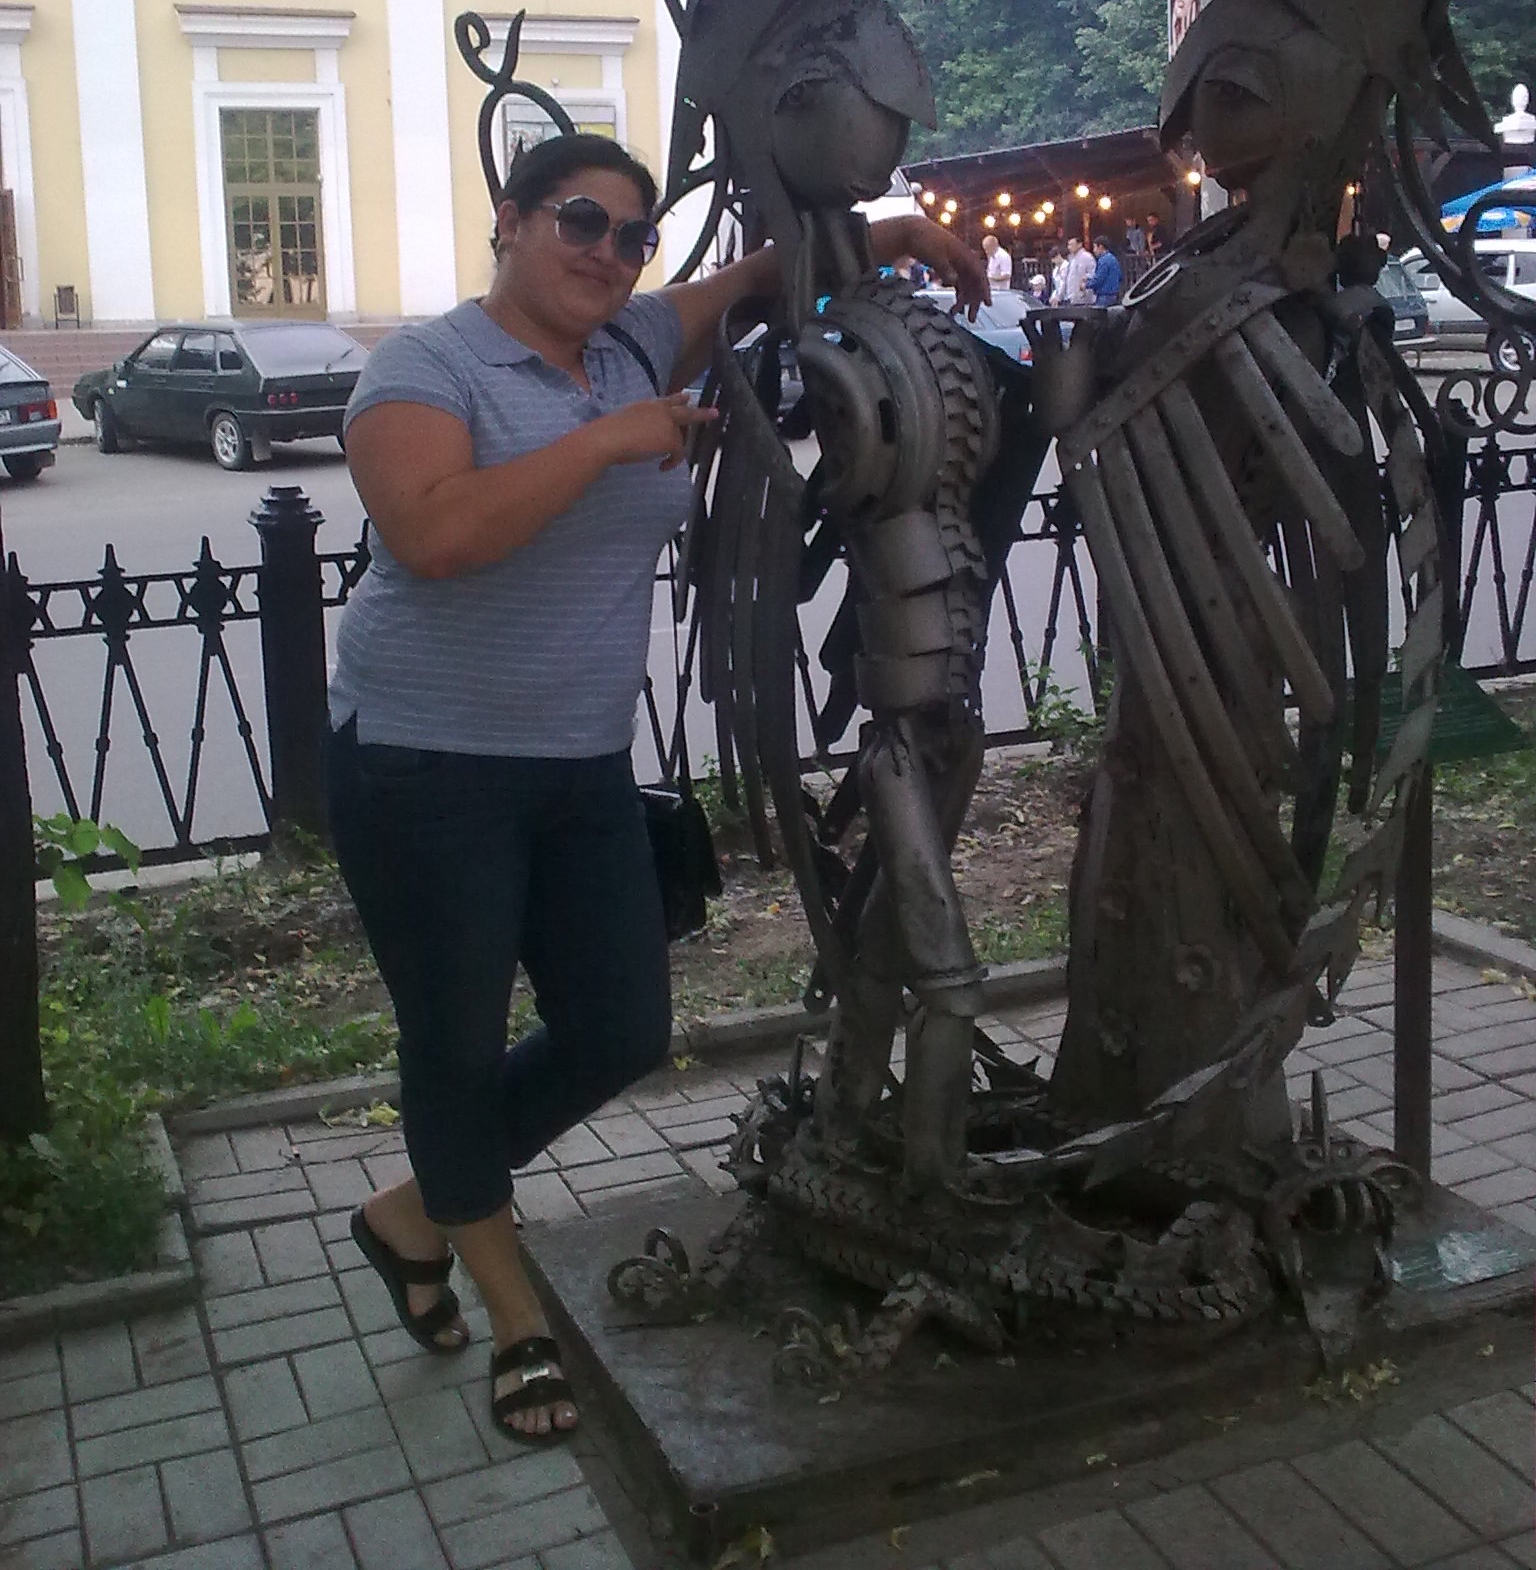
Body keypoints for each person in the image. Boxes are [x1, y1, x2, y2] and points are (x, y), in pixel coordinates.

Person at [328, 132, 987, 1447]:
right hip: (425, 767)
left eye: (633, 235)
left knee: (622, 1026)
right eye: (580, 220)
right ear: (510, 219)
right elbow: (435, 532)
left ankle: (415, 1213)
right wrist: (605, 443)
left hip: (578, 765)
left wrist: (895, 234)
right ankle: (516, 1313)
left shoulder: (631, 342)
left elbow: (762, 275)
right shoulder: (426, 367)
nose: (610, 253)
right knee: (453, 1044)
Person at [1054, 234, 1095, 306]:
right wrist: (1059, 296)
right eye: (1068, 245)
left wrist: (1085, 280)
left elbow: (1093, 274)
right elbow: (1066, 279)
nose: (1069, 247)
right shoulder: (1070, 259)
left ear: (1079, 244)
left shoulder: (1087, 257)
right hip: (1071, 297)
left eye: (1071, 245)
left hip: (1084, 298)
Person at [1089, 236, 1124, 306]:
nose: (1094, 250)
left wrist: (1087, 284)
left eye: (1095, 247)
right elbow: (1120, 276)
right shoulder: (1113, 258)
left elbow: (1099, 279)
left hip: (1104, 295)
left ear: (1100, 247)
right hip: (1114, 294)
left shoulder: (1103, 260)